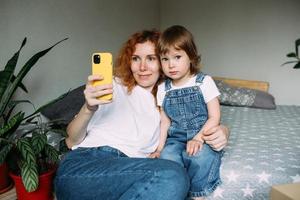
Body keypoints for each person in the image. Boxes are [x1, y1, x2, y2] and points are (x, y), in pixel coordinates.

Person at [54, 29, 229, 200]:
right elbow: (71, 141)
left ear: (163, 62)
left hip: (134, 171)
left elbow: (188, 126)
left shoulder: (167, 99)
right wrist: (88, 108)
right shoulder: (113, 86)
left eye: (151, 59)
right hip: (85, 165)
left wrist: (222, 129)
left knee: (173, 177)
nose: (143, 67)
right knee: (172, 176)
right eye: (136, 59)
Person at [150, 25, 222, 199]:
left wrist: (199, 138)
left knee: (201, 157)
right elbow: (165, 122)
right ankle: (178, 191)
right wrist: (159, 148)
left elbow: (215, 116)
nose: (171, 64)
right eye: (165, 59)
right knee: (168, 159)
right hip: (176, 138)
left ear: (191, 56)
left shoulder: (204, 82)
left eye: (177, 57)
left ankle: (197, 195)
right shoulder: (162, 88)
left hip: (201, 135)